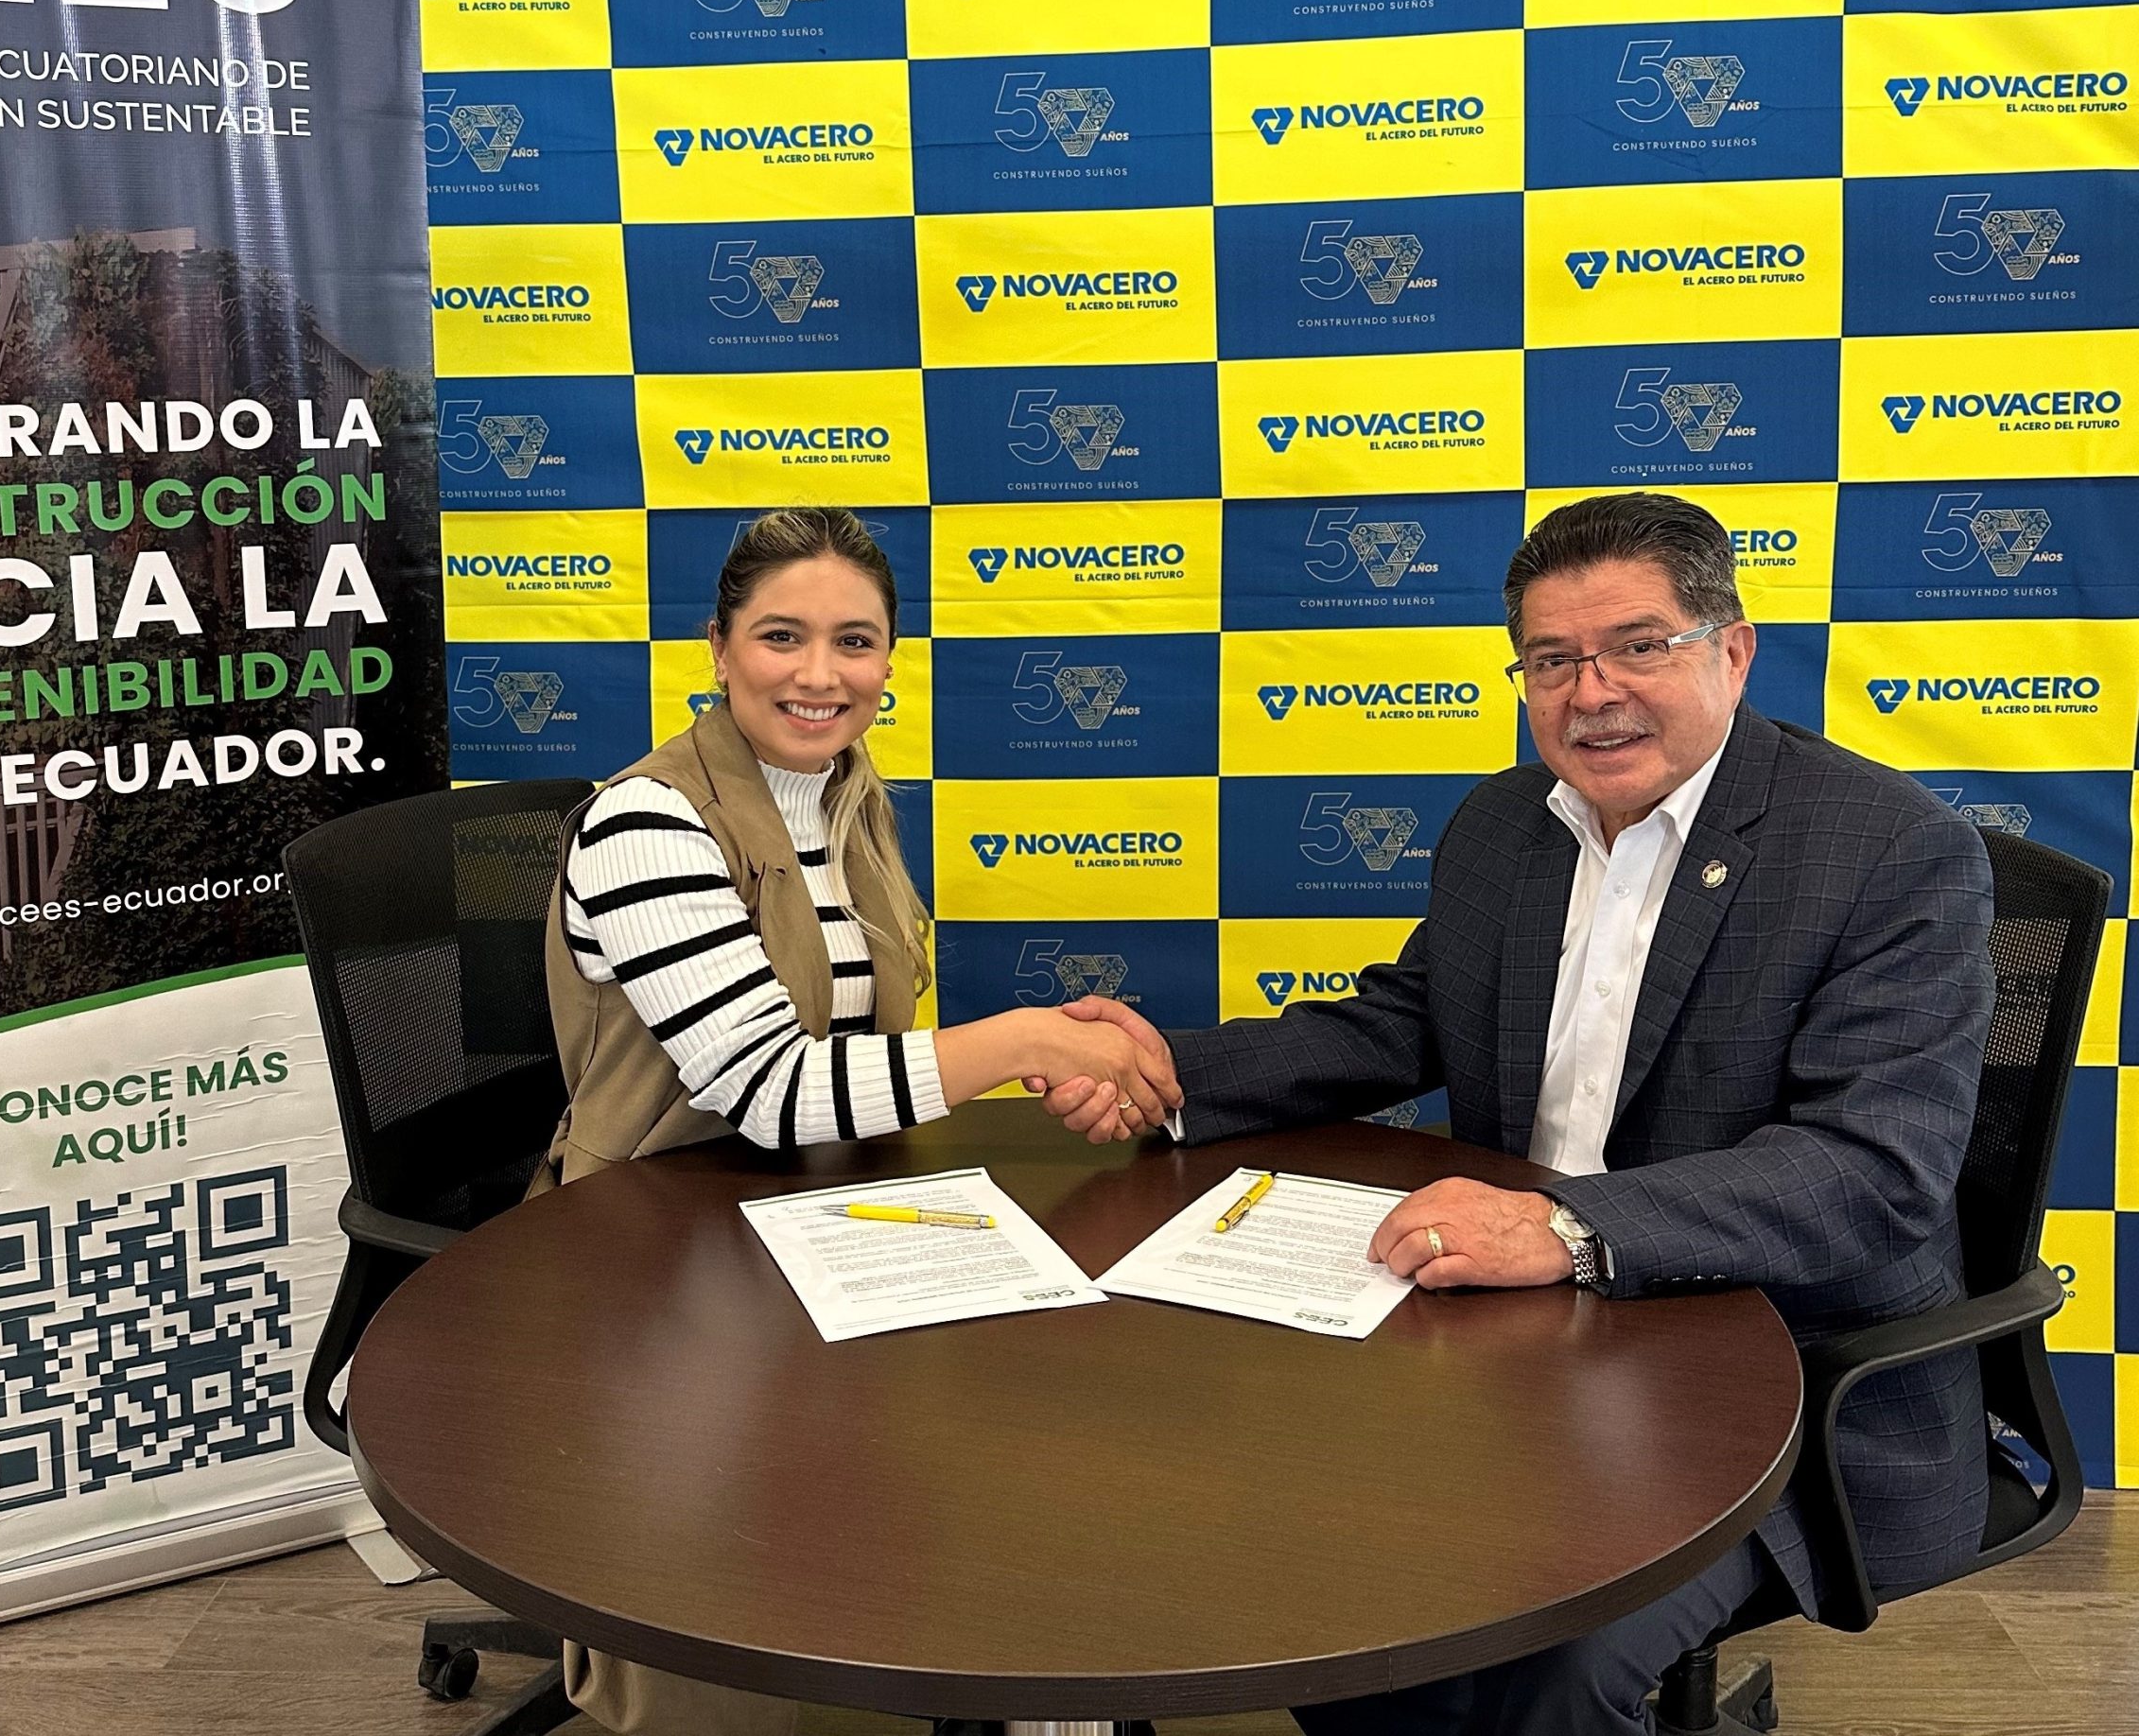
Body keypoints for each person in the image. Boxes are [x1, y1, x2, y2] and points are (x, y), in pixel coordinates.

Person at [1041, 492, 1995, 1736]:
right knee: (1324, 1575)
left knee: (1548, 1666)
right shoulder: (1507, 824)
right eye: (1552, 661)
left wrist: (1565, 1228)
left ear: (1732, 650)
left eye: (1638, 646)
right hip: (1520, 1348)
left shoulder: (1891, 850)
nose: (1592, 693)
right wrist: (1171, 1071)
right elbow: (1404, 1022)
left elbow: (1873, 1172)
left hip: (1779, 1381)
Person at [541, 504, 1175, 1736]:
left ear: (889, 659)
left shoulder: (842, 796)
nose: (821, 674)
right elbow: (771, 1089)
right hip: (650, 1236)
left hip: (802, 1202)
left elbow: (860, 1049)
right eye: (782, 636)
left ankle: (1033, 1684)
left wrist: (1048, 1057)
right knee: (732, 1583)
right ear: (718, 647)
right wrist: (1027, 1045)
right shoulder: (645, 826)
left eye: (856, 641)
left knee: (1054, 1400)